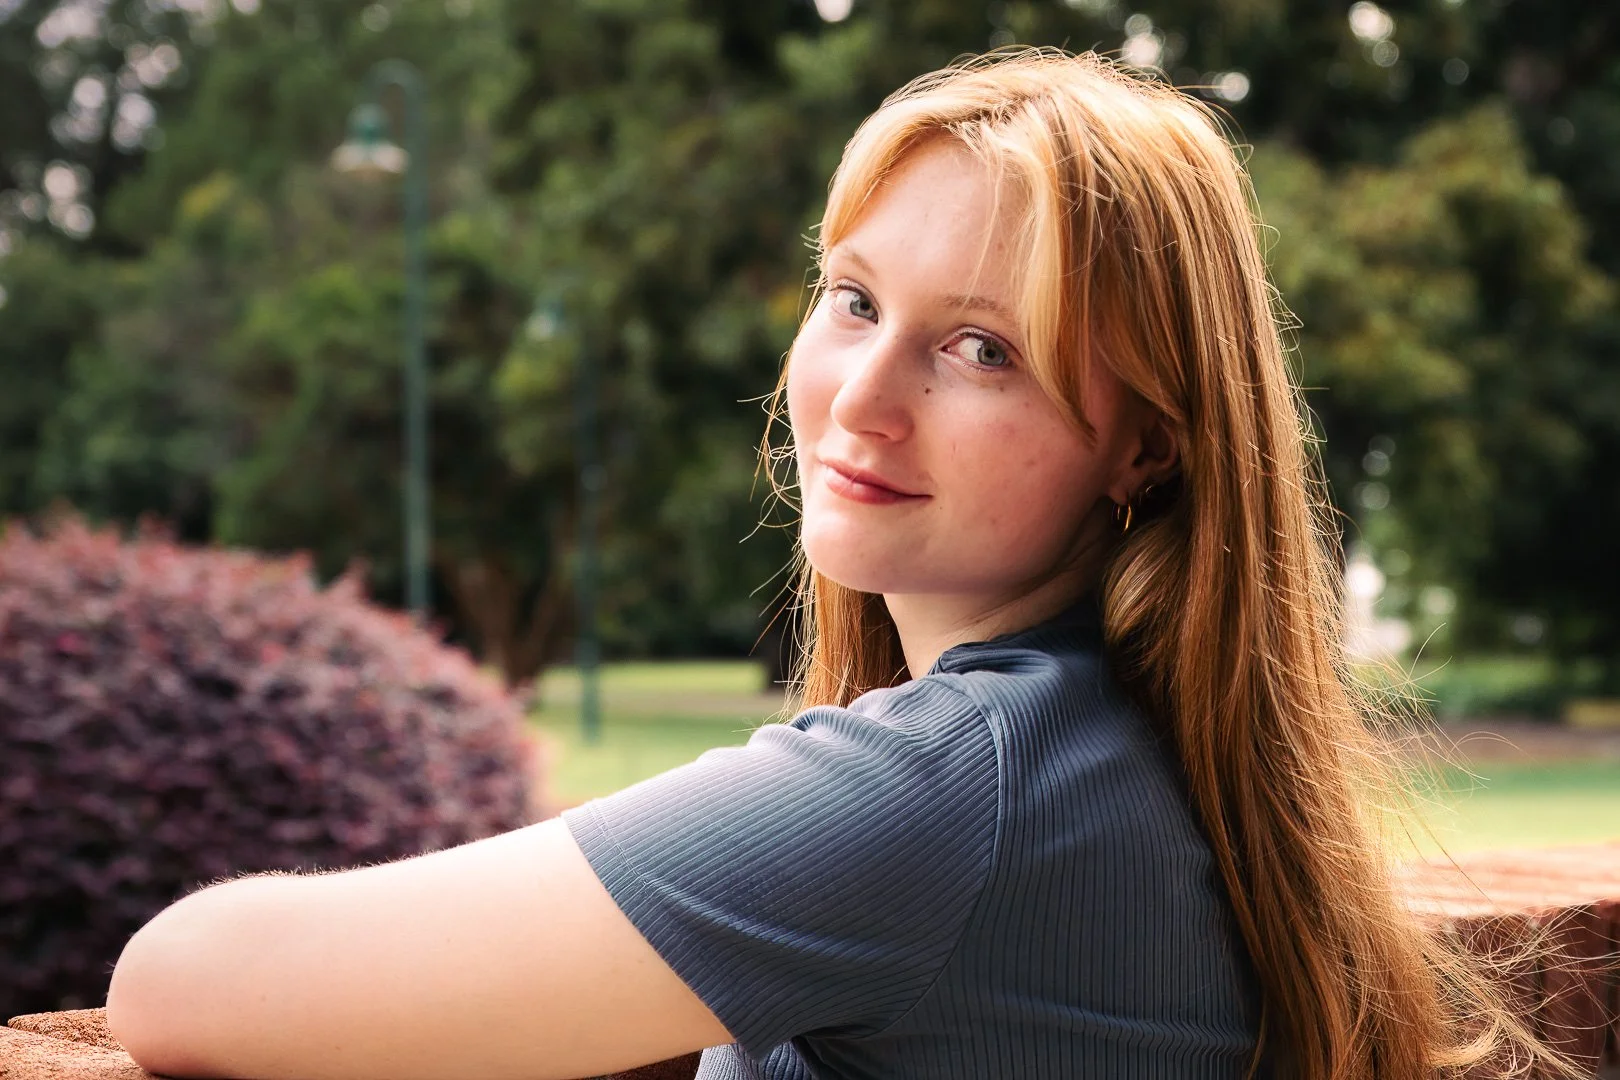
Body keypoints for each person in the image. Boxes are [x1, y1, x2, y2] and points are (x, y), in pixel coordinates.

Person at [105, 48, 1563, 1080]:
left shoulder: (944, 799)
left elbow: (179, 984)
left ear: (1147, 448)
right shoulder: (1143, 747)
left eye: (980, 348)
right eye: (854, 299)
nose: (862, 396)